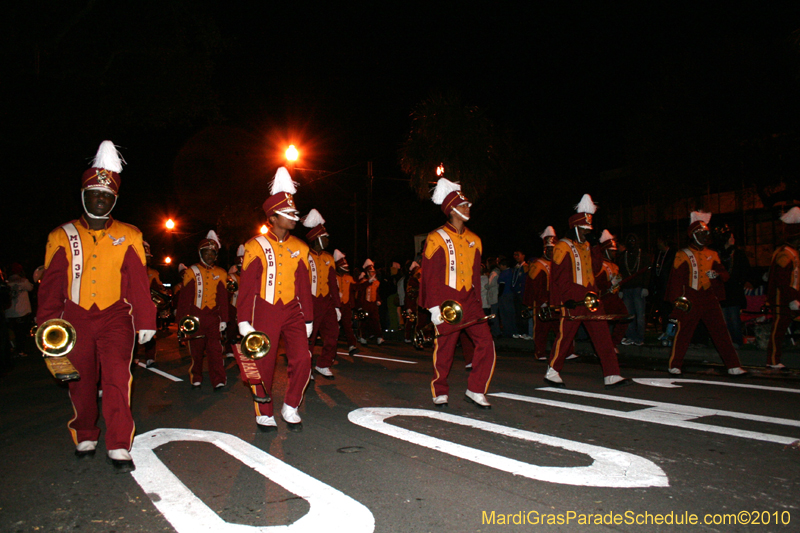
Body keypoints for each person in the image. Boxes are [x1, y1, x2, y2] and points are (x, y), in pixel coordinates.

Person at [36, 140, 156, 473]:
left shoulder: (130, 234)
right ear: (83, 195)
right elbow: (51, 286)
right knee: (81, 379)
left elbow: (138, 281)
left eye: (106, 195)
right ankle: (85, 432)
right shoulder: (61, 235)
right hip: (74, 317)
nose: (100, 199)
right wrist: (47, 324)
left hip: (116, 315)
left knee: (118, 378)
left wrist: (146, 319)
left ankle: (118, 443)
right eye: (94, 193)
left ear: (114, 199)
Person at [237, 167, 313, 431]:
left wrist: (308, 319)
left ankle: (291, 405)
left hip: (293, 310)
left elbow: (304, 286)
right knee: (262, 363)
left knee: (303, 358)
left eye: (294, 213)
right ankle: (264, 410)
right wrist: (243, 320)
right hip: (264, 309)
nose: (294, 218)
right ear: (273, 217)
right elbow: (247, 287)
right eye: (288, 213)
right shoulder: (255, 245)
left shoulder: (301, 247)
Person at [420, 176, 496, 409]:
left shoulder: (475, 239)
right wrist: (434, 307)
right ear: (452, 209)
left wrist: (479, 302)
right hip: (446, 301)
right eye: (463, 205)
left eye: (468, 205)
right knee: (445, 348)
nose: (467, 208)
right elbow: (430, 274)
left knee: (486, 343)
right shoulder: (436, 237)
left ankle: (476, 389)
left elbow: (475, 276)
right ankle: (440, 389)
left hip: (470, 301)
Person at [544, 194, 629, 389]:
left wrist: (596, 248)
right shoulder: (563, 246)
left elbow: (596, 269)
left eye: (588, 229)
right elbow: (559, 276)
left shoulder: (588, 246)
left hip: (591, 298)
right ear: (575, 228)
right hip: (573, 298)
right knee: (565, 336)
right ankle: (553, 370)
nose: (586, 233)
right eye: (583, 229)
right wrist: (566, 298)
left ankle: (612, 374)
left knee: (602, 336)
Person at [664, 211, 746, 376]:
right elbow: (676, 280)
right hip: (691, 296)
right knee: (684, 332)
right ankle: (675, 364)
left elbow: (725, 275)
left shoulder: (712, 254)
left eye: (706, 233)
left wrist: (717, 274)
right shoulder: (682, 254)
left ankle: (733, 365)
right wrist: (678, 301)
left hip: (708, 296)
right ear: (693, 235)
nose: (704, 236)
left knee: (721, 332)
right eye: (701, 233)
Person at [177, 230, 229, 390]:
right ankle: (196, 376)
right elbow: (184, 299)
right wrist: (181, 321)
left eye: (213, 253)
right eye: (206, 253)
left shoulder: (221, 273)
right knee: (196, 350)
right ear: (200, 254)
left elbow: (223, 298)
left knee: (215, 350)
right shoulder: (191, 272)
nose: (210, 256)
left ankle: (218, 379)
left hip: (213, 318)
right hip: (195, 317)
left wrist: (224, 319)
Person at [302, 209, 341, 378]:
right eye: (325, 237)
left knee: (333, 334)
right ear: (317, 238)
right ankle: (305, 368)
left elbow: (333, 284)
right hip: (310, 301)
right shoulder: (304, 255)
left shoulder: (329, 258)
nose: (327, 240)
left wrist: (337, 306)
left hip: (326, 302)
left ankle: (323, 364)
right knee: (308, 337)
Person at [766, 207, 800, 370]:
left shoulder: (791, 252)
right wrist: (792, 299)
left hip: (791, 297)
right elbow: (782, 280)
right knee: (778, 330)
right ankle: (772, 360)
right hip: (783, 299)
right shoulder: (785, 254)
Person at [524, 227, 559, 360]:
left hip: (555, 301)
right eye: (549, 249)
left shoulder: (557, 264)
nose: (551, 252)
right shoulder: (538, 264)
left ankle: (566, 351)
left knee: (560, 327)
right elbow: (535, 286)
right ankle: (540, 352)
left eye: (553, 249)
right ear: (545, 250)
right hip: (542, 302)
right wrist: (543, 300)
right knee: (541, 328)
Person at [715, 225, 750, 348]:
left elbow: (745, 270)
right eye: (731, 237)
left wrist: (740, 282)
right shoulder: (717, 254)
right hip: (722, 290)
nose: (733, 239)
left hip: (734, 291)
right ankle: (727, 341)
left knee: (734, 318)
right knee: (724, 318)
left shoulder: (738, 254)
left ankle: (737, 341)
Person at [596, 230, 629, 350]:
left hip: (614, 298)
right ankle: (605, 347)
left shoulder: (614, 265)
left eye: (614, 251)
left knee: (625, 317)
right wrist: (611, 283)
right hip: (604, 298)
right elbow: (598, 284)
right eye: (611, 251)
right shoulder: (600, 266)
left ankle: (613, 343)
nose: (614, 253)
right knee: (602, 325)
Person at [134, 241, 165, 367]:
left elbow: (158, 289)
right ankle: (134, 355)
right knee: (133, 333)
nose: (147, 260)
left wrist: (162, 305)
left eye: (148, 257)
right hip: (134, 306)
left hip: (148, 306)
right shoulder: (130, 269)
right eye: (144, 257)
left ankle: (150, 357)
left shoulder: (153, 273)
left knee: (151, 332)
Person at [618, 233, 651, 346]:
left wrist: (645, 287)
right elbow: (621, 273)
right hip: (627, 288)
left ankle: (640, 338)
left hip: (638, 288)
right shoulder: (623, 256)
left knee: (640, 314)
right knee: (628, 315)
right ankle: (630, 336)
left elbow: (647, 272)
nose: (631, 243)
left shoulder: (643, 255)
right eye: (629, 240)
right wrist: (621, 289)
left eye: (633, 240)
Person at [5, 263, 34, 358]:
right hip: (21, 312)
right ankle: (20, 350)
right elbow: (31, 287)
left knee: (12, 332)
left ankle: (13, 349)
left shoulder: (7, 282)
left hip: (9, 312)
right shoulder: (23, 281)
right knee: (21, 332)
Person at [334, 250, 359, 354]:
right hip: (335, 306)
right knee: (334, 327)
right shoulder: (333, 276)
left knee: (348, 326)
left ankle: (352, 345)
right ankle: (331, 346)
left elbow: (356, 287)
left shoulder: (349, 277)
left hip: (346, 306)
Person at [224, 245, 245, 358]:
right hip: (233, 305)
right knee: (231, 328)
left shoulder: (250, 276)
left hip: (246, 306)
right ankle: (229, 349)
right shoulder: (231, 277)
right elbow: (227, 294)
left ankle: (245, 348)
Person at [357, 259, 383, 345]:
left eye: (373, 272)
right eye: (371, 272)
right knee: (364, 321)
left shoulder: (376, 282)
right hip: (365, 304)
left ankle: (379, 337)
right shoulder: (363, 282)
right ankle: (363, 337)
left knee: (376, 321)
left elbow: (377, 293)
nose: (373, 273)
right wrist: (360, 306)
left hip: (373, 304)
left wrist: (378, 300)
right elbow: (360, 293)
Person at [511, 250, 529, 339]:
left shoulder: (526, 267)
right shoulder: (516, 267)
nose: (516, 257)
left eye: (518, 255)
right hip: (516, 294)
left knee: (523, 313)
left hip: (522, 294)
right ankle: (519, 332)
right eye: (514, 255)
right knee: (517, 313)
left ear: (523, 255)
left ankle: (525, 332)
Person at [496, 257, 516, 337]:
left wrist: (499, 295)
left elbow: (502, 285)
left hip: (504, 295)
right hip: (511, 294)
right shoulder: (512, 271)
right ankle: (513, 330)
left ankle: (507, 332)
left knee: (504, 314)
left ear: (504, 265)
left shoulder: (504, 273)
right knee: (511, 314)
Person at [403, 261, 421, 344]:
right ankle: (407, 337)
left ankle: (419, 337)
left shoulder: (421, 281)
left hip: (419, 304)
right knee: (411, 320)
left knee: (420, 322)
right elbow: (409, 294)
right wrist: (408, 307)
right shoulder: (412, 281)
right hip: (413, 304)